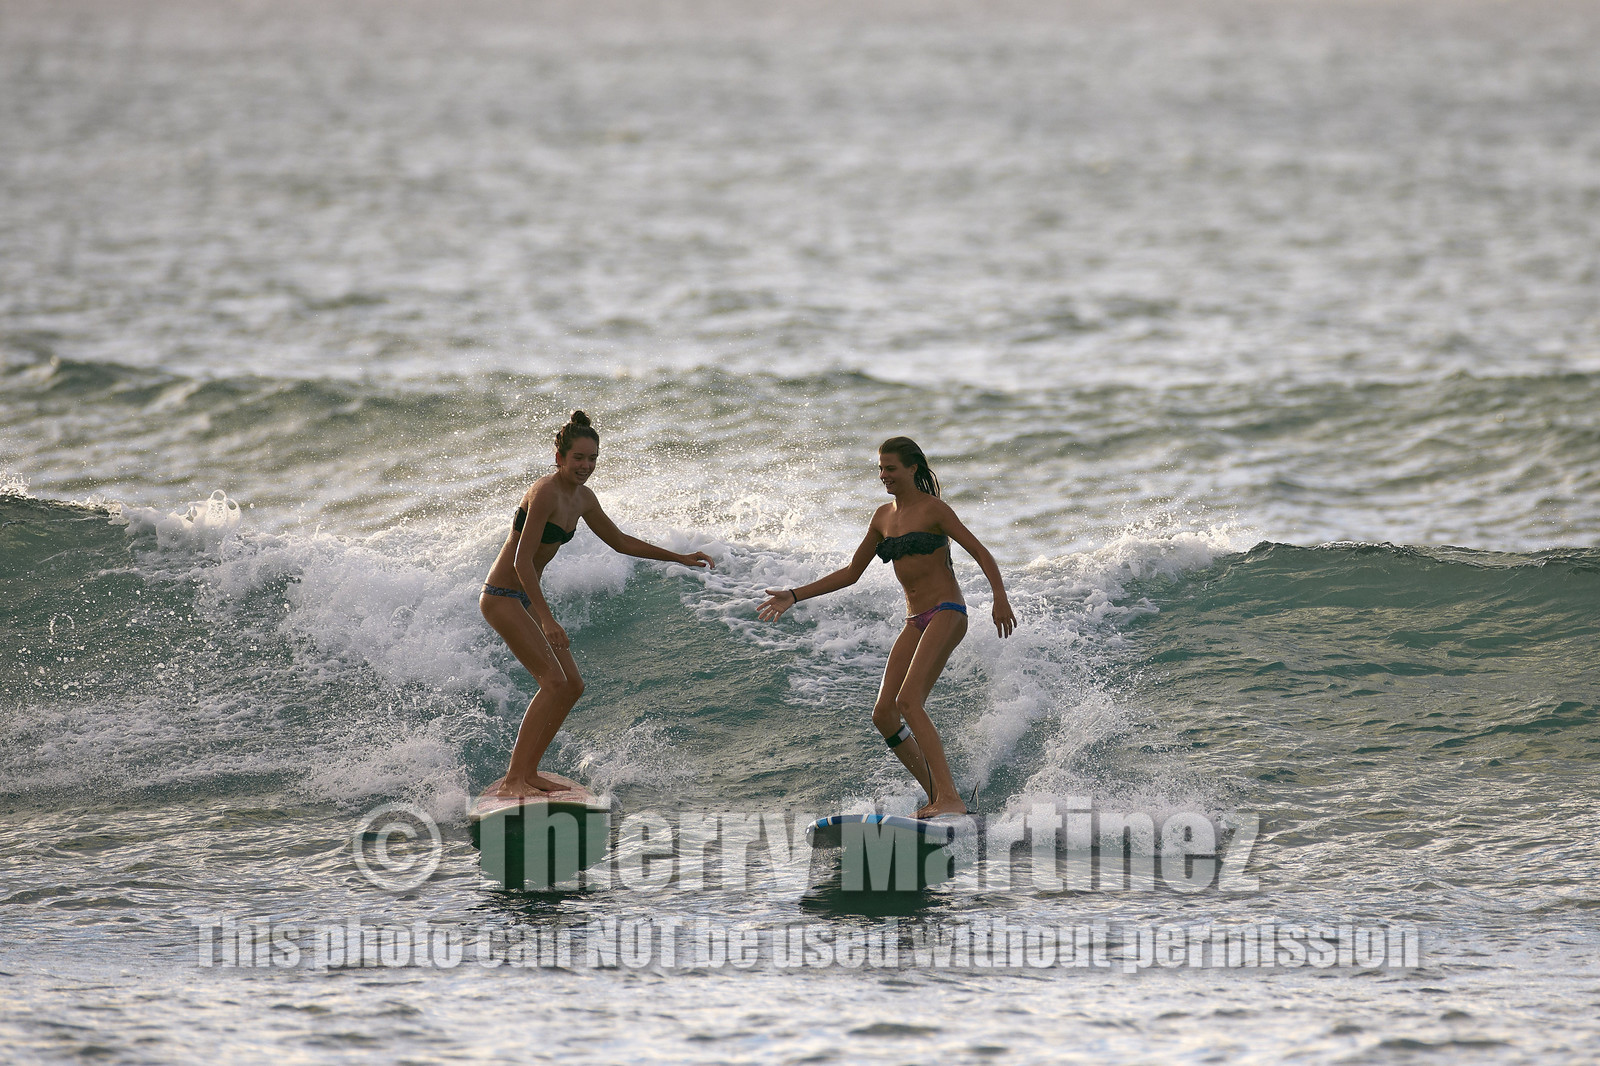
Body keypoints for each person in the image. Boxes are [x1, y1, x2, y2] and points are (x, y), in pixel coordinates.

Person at [757, 437, 1015, 818]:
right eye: (880, 469)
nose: (884, 476)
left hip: (947, 611)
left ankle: (950, 798)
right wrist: (794, 595)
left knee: (909, 701)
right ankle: (939, 795)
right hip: (916, 619)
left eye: (890, 468)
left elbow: (980, 551)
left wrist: (999, 597)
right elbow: (850, 573)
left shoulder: (935, 510)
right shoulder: (882, 517)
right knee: (884, 714)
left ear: (912, 468)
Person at [480, 410, 714, 797]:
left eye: (592, 459)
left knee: (572, 685)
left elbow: (621, 542)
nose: (586, 466)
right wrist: (547, 618)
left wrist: (681, 557)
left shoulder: (583, 499)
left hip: (524, 598)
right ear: (559, 458)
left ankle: (530, 771)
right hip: (503, 596)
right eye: (578, 458)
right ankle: (513, 780)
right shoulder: (544, 493)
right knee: (552, 682)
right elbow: (521, 561)